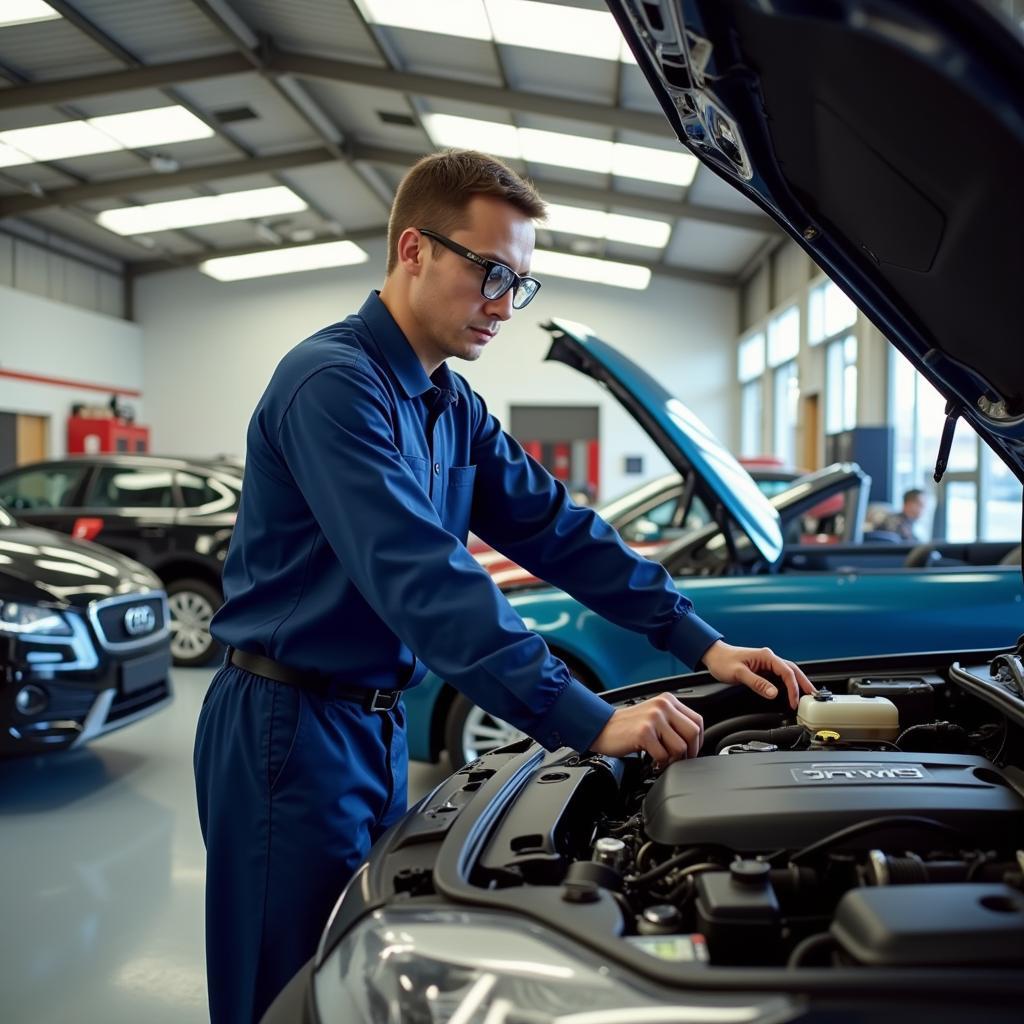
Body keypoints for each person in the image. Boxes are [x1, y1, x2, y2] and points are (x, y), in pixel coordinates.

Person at [193, 149, 815, 1023]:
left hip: (367, 727)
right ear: (413, 250)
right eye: (490, 272)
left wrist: (699, 639)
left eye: (519, 283)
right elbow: (420, 576)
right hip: (286, 731)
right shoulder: (333, 384)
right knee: (281, 993)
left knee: (349, 973)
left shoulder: (451, 403)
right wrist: (590, 719)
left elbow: (559, 529)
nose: (504, 305)